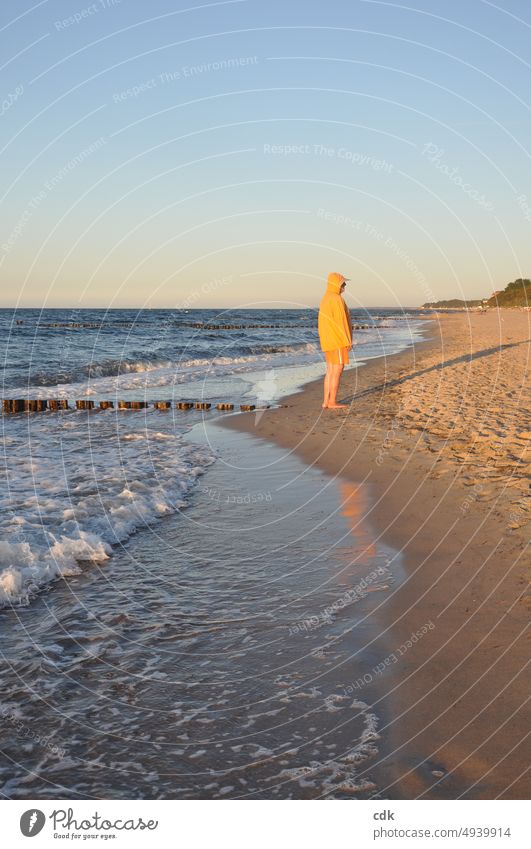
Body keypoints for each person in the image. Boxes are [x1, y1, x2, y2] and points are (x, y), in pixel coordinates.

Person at [318, 272, 353, 409]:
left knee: (331, 370)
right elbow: (341, 321)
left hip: (328, 340)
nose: (344, 286)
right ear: (336, 284)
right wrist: (347, 340)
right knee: (337, 369)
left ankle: (326, 402)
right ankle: (332, 401)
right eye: (343, 283)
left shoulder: (326, 298)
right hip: (337, 340)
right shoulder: (336, 299)